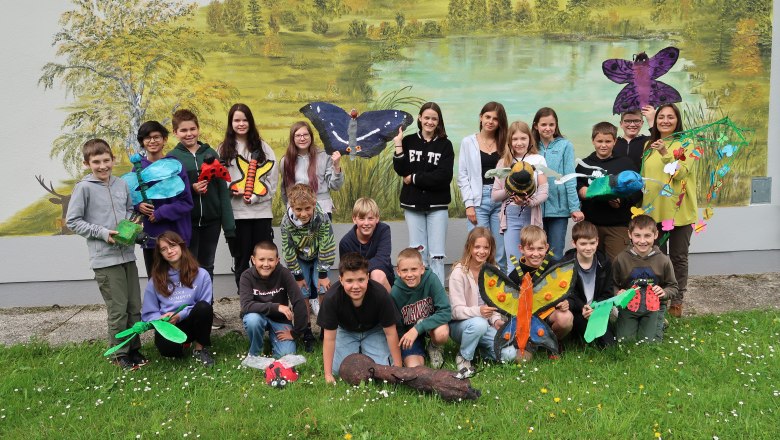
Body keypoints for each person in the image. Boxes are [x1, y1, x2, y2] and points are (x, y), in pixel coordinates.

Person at [66, 139, 146, 370]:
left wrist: (131, 224)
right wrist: (102, 232)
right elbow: (73, 221)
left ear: (113, 159)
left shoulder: (121, 184)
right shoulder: (84, 188)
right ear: (87, 163)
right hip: (105, 260)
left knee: (133, 307)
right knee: (118, 308)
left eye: (106, 160)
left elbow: (130, 209)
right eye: (96, 162)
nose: (102, 166)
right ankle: (120, 353)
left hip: (127, 255)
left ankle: (134, 348)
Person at [167, 109, 236, 280]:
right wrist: (191, 189)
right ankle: (190, 306)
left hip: (212, 222)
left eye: (192, 129)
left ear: (198, 129)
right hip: (186, 222)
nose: (189, 134)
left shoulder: (211, 153)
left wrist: (229, 227)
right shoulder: (172, 158)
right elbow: (169, 194)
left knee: (207, 265)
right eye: (183, 130)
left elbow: (222, 190)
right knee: (188, 265)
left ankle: (206, 305)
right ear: (175, 133)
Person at [393, 102, 455, 287]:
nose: (429, 122)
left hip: (437, 206)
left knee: (436, 254)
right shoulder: (409, 141)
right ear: (420, 118)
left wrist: (414, 178)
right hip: (413, 206)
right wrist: (398, 145)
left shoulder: (445, 145)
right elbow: (400, 169)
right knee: (418, 254)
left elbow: (443, 177)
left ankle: (436, 295)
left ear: (439, 121)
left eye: (434, 119)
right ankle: (421, 294)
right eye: (426, 117)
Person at [641, 103, 694, 318]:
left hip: (680, 211)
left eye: (670, 117)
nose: (665, 121)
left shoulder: (687, 143)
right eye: (661, 117)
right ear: (656, 121)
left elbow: (679, 173)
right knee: (657, 257)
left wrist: (665, 152)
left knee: (679, 257)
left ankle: (677, 300)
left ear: (677, 120)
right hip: (655, 212)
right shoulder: (648, 145)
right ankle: (660, 297)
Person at [218, 104, 278, 288]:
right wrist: (231, 189)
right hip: (236, 215)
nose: (241, 124)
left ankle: (266, 297)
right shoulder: (222, 149)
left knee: (264, 259)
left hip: (261, 214)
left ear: (250, 122)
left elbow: (271, 181)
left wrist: (253, 197)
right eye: (237, 120)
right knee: (241, 259)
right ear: (231, 123)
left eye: (245, 120)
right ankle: (246, 302)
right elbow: (218, 178)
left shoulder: (264, 148)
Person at [318, 253, 403, 384]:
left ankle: (365, 350)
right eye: (349, 281)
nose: (356, 286)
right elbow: (329, 338)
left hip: (374, 330)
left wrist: (398, 367)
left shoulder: (380, 294)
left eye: (361, 280)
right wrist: (328, 374)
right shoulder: (331, 298)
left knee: (380, 369)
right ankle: (356, 350)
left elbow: (391, 333)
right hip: (346, 331)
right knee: (338, 370)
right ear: (340, 279)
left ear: (368, 277)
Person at [141, 232, 215, 366]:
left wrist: (180, 315)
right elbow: (148, 314)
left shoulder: (201, 274)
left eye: (172, 245)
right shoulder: (155, 280)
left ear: (181, 246)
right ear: (161, 254)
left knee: (204, 307)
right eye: (164, 249)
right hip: (169, 326)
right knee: (169, 351)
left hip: (192, 321)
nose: (169, 251)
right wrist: (162, 319)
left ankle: (200, 349)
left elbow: (205, 303)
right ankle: (183, 344)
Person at [134, 121, 194, 275]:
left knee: (181, 281)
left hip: (176, 234)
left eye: (156, 137)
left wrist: (161, 213)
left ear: (164, 139)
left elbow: (187, 202)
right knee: (155, 280)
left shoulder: (175, 165)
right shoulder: (138, 168)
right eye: (147, 138)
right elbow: (132, 198)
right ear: (142, 142)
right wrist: (138, 206)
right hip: (152, 238)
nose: (152, 141)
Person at [280, 183, 336, 348]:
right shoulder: (286, 222)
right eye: (298, 210)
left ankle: (326, 328)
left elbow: (327, 244)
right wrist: (297, 275)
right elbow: (287, 249)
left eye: (307, 209)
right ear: (292, 207)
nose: (303, 214)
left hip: (319, 255)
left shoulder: (322, 218)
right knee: (302, 292)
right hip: (299, 258)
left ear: (313, 204)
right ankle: (306, 330)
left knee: (323, 289)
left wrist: (323, 274)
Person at [576, 122, 641, 261]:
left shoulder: (625, 163)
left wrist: (621, 201)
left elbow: (637, 191)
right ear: (593, 140)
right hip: (591, 225)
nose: (603, 145)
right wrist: (582, 192)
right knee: (591, 264)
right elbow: (576, 187)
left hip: (617, 226)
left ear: (615, 141)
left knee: (616, 265)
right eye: (599, 141)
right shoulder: (584, 165)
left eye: (608, 141)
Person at [492, 120, 549, 272]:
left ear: (530, 139)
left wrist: (530, 201)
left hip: (532, 215)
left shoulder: (538, 160)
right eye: (515, 139)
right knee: (514, 263)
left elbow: (544, 191)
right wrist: (510, 191)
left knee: (534, 261)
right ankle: (516, 294)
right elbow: (495, 195)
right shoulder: (503, 162)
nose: (519, 143)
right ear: (509, 141)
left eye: (523, 138)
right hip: (511, 217)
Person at [457, 101, 509, 271]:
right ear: (481, 117)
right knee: (478, 247)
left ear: (500, 122)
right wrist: (469, 204)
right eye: (487, 117)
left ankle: (499, 291)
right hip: (478, 201)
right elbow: (463, 176)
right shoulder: (468, 142)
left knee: (500, 251)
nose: (490, 121)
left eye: (495, 118)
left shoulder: (505, 143)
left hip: (501, 200)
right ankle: (478, 289)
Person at [448, 227, 504, 378]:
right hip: (461, 326)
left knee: (508, 355)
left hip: (486, 324)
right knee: (479, 323)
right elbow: (455, 311)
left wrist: (497, 320)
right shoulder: (459, 273)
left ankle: (480, 349)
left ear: (491, 249)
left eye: (486, 247)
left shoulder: (494, 271)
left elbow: (494, 307)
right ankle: (464, 356)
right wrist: (478, 311)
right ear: (469, 247)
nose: (482, 251)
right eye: (477, 247)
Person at [613, 215, 678, 342]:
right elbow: (612, 284)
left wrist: (664, 293)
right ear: (630, 234)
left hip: (654, 307)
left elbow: (673, 287)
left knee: (649, 343)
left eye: (647, 235)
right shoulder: (621, 259)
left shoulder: (663, 260)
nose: (642, 241)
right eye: (637, 235)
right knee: (625, 342)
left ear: (656, 234)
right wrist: (617, 293)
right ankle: (629, 324)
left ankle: (660, 322)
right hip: (629, 307)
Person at [239, 241, 308, 358]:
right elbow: (246, 306)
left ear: (277, 260)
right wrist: (276, 306)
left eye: (270, 260)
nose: (266, 264)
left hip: (279, 320)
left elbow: (299, 302)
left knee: (287, 355)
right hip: (258, 316)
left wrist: (296, 332)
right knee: (252, 320)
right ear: (253, 259)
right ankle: (255, 354)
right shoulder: (246, 276)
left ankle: (275, 340)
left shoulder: (284, 274)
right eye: (261, 259)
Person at [532, 107, 583, 260]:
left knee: (555, 254)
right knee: (536, 253)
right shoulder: (530, 146)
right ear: (536, 126)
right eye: (543, 124)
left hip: (558, 210)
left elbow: (569, 177)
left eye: (551, 125)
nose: (548, 128)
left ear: (556, 125)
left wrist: (574, 207)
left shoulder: (565, 146)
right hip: (535, 209)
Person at [508, 226, 574, 343]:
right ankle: (531, 343)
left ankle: (553, 343)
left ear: (546, 248)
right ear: (521, 249)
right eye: (530, 249)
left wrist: (566, 302)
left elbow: (569, 291)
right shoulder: (514, 275)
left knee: (565, 318)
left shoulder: (556, 267)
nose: (536, 254)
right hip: (526, 321)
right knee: (522, 359)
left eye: (540, 249)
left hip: (550, 315)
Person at [390, 247, 451, 368]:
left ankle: (434, 347)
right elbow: (397, 327)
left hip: (431, 328)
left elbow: (446, 312)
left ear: (422, 269)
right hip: (409, 335)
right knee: (415, 368)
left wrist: (417, 329)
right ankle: (418, 350)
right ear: (398, 272)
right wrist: (403, 350)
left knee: (442, 333)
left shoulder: (431, 280)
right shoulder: (395, 293)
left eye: (414, 269)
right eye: (405, 270)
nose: (409, 274)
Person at [558, 221, 616, 347]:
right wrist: (581, 307)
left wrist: (595, 307)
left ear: (597, 241)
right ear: (574, 243)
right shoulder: (565, 264)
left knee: (609, 345)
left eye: (592, 243)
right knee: (586, 343)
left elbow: (608, 292)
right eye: (583, 244)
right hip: (577, 310)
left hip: (597, 309)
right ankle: (571, 336)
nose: (588, 248)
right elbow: (566, 294)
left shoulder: (604, 262)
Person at [280, 121, 343, 217]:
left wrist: (337, 166)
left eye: (305, 134)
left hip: (322, 209)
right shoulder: (286, 161)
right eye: (298, 135)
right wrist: (291, 207)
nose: (302, 138)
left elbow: (335, 186)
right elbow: (285, 189)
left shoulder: (324, 156)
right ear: (293, 138)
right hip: (297, 212)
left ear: (311, 136)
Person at [338, 197, 394, 292]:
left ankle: (391, 305)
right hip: (357, 278)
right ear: (354, 219)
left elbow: (382, 259)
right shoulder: (345, 243)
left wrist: (362, 269)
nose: (366, 223)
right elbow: (346, 270)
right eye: (362, 218)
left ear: (377, 219)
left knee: (376, 275)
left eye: (370, 218)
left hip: (382, 275)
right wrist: (362, 275)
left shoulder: (383, 230)